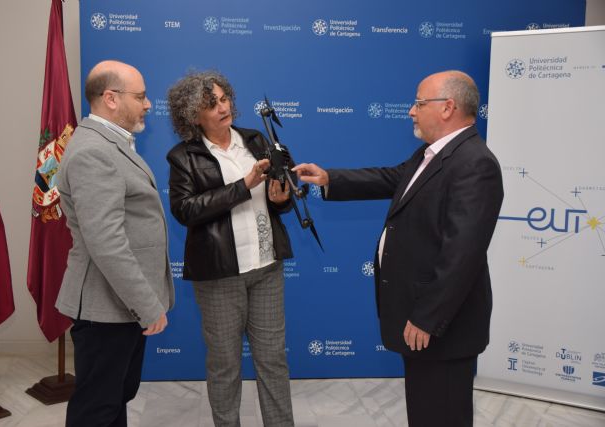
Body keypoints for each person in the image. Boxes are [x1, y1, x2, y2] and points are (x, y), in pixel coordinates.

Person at [293, 70, 504, 427]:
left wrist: (427, 317)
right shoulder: (432, 154)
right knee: (425, 411)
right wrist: (330, 178)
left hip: (442, 326)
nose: (411, 110)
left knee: (444, 414)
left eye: (420, 103)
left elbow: (461, 255)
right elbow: (391, 178)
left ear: (448, 107)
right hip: (422, 316)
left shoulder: (475, 164)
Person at [166, 71, 295, 427]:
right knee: (225, 365)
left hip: (266, 268)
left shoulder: (256, 140)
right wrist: (244, 184)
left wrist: (281, 198)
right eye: (211, 104)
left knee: (273, 359)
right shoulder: (183, 157)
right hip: (219, 276)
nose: (223, 108)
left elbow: (281, 199)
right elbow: (186, 210)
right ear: (193, 116)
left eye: (224, 99)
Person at [55, 60, 175, 427]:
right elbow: (106, 242)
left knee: (113, 400)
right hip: (105, 307)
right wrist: (147, 305)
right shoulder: (94, 151)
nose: (148, 104)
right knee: (98, 408)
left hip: (117, 306)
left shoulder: (110, 143)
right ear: (110, 98)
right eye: (140, 96)